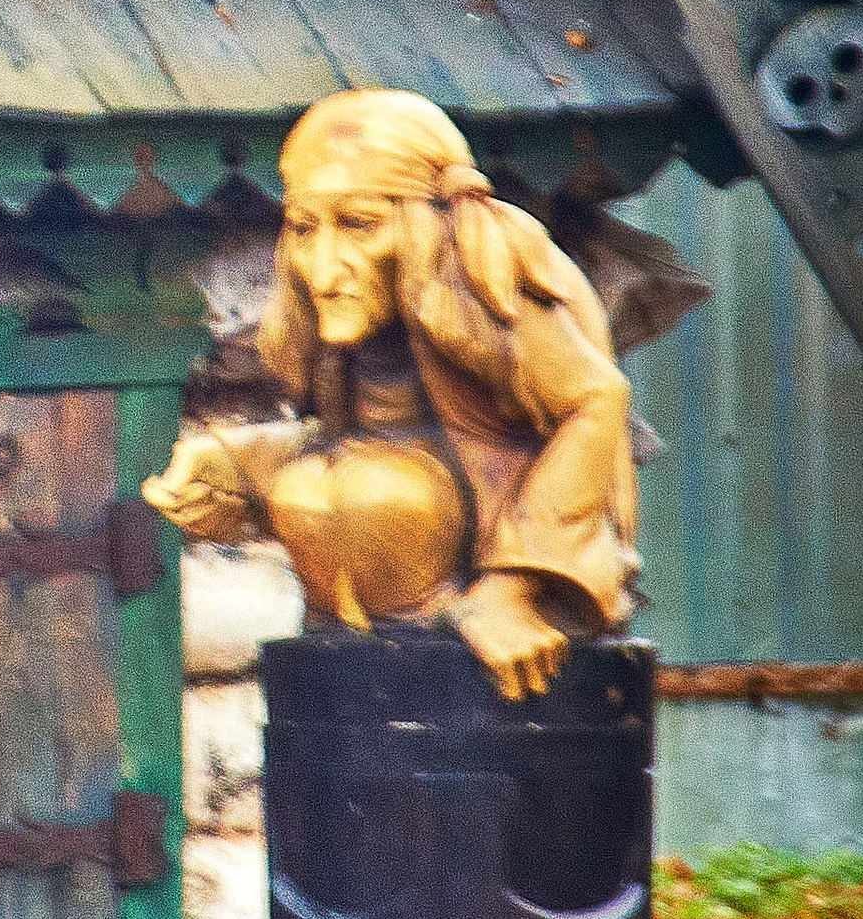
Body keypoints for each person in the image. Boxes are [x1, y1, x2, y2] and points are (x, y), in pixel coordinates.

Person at [141, 87, 637, 701]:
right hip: (361, 654)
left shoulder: (482, 283)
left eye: (359, 225)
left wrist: (510, 590)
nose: (324, 270)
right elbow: (368, 443)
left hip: (480, 627)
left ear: (426, 225)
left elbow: (595, 401)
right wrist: (236, 462)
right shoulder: (346, 330)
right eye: (305, 228)